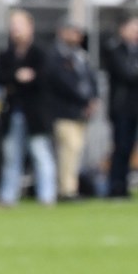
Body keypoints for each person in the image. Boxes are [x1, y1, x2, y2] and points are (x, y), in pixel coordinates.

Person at [0, 10, 56, 207]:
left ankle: (47, 196)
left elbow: (46, 79)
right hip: (13, 112)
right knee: (11, 156)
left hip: (35, 114)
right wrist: (17, 77)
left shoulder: (40, 53)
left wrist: (28, 78)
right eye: (13, 26)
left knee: (40, 153)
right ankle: (7, 197)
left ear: (30, 27)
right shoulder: (7, 54)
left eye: (19, 26)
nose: (16, 30)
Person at [100, 15, 138, 199]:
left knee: (130, 147)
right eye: (134, 30)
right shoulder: (114, 49)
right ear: (123, 30)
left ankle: (123, 185)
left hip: (135, 107)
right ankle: (114, 186)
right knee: (120, 147)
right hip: (120, 107)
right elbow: (127, 74)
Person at [48, 19, 99, 200]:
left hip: (80, 112)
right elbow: (62, 83)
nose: (76, 36)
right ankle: (66, 190)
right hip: (64, 111)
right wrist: (84, 99)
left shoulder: (80, 55)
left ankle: (71, 187)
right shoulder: (56, 56)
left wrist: (93, 99)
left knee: (76, 151)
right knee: (68, 150)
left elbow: (91, 79)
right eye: (73, 32)